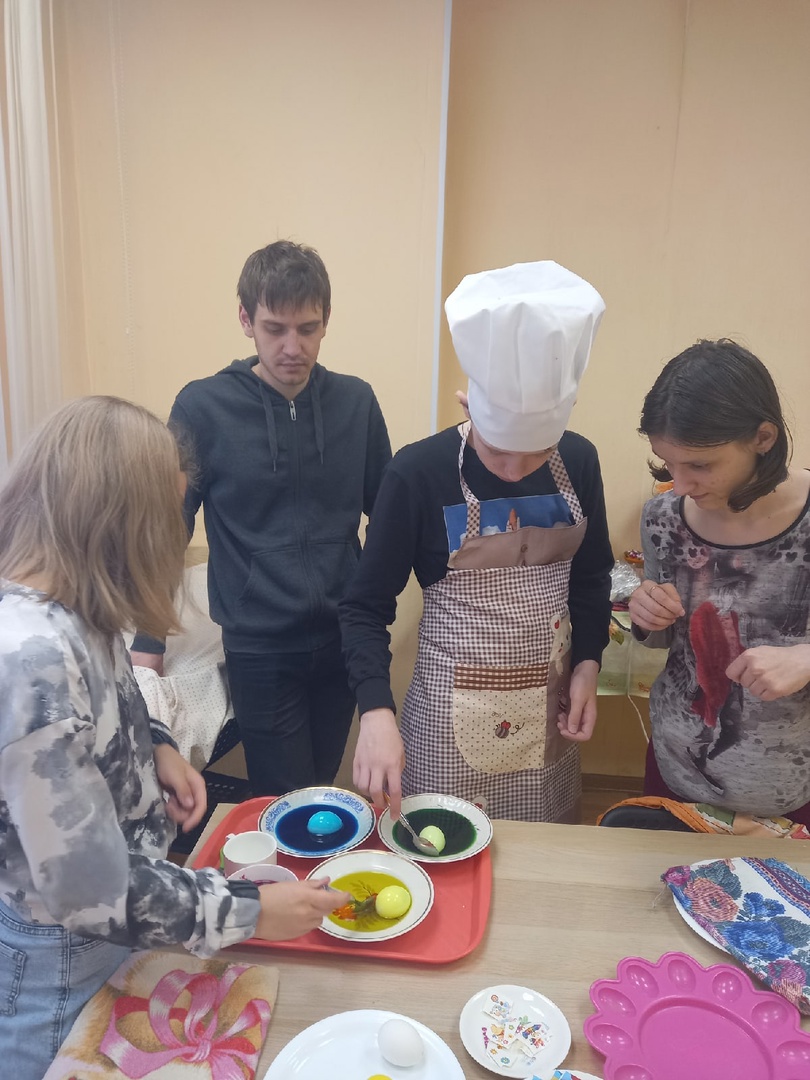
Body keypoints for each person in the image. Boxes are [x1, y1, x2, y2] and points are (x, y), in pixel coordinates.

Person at [0, 397, 350, 1079]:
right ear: (119, 522)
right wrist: (250, 911)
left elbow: (111, 697)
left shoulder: (76, 611)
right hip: (60, 968)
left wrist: (155, 742)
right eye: (166, 520)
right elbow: (91, 889)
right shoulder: (31, 660)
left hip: (118, 935)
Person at [340, 261, 613, 822]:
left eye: (536, 453)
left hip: (549, 711)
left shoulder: (580, 461)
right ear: (468, 404)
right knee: (443, 851)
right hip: (448, 722)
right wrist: (375, 711)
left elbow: (590, 578)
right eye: (498, 450)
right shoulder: (416, 474)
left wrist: (588, 663)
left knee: (539, 853)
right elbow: (364, 607)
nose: (514, 471)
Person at [130, 241, 392, 797]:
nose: (293, 347)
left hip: (343, 640)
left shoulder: (356, 403)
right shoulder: (202, 408)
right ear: (246, 320)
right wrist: (148, 641)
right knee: (284, 797)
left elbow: (389, 516)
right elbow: (170, 528)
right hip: (259, 647)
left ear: (326, 321)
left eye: (308, 328)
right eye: (275, 329)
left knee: (321, 789)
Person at [628, 339, 810, 825]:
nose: (680, 485)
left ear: (763, 438)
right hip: (677, 770)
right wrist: (646, 615)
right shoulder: (663, 518)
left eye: (700, 465)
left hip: (790, 787)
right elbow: (666, 640)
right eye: (667, 463)